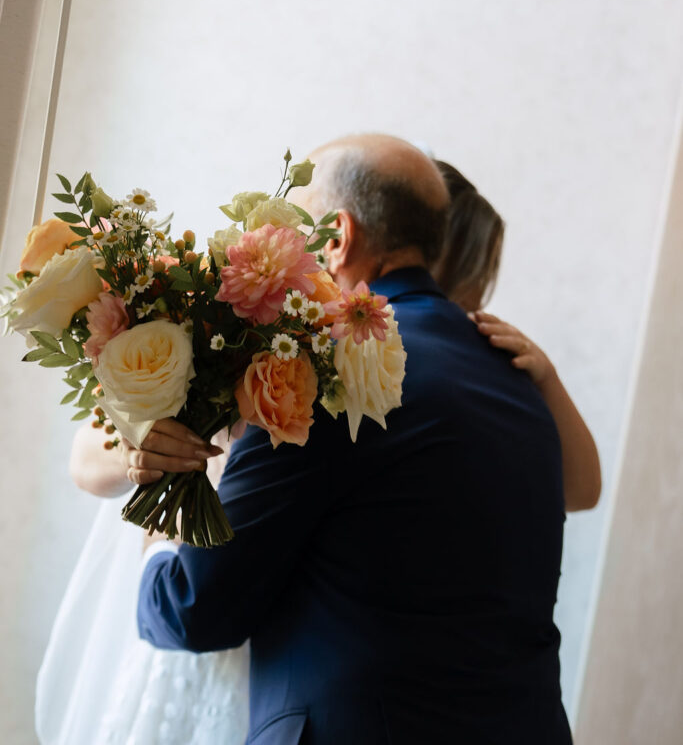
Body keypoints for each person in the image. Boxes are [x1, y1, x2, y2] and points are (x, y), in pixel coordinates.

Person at [131, 133, 573, 744]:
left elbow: (195, 609)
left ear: (337, 237)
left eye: (295, 233)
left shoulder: (321, 369)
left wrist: (157, 540)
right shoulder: (521, 380)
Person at [35, 422, 249, 745]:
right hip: (163, 596)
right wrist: (135, 454)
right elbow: (83, 458)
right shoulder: (169, 389)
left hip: (251, 620)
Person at [433, 160, 601, 512]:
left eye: (486, 274)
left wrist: (548, 377)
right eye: (479, 273)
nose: (479, 297)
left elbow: (583, 492)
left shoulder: (492, 355)